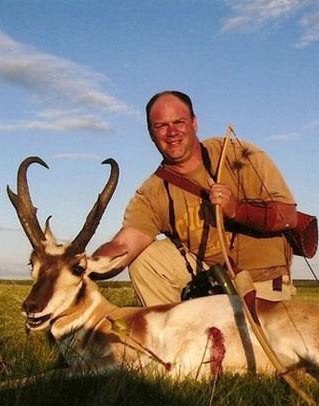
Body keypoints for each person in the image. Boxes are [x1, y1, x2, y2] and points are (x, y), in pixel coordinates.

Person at [93, 90, 299, 306]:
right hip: (212, 280)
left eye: (179, 122)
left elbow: (288, 217)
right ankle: (171, 335)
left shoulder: (238, 154)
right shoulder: (152, 191)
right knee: (144, 261)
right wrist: (82, 266)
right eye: (161, 126)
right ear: (151, 133)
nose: (172, 132)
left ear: (194, 123)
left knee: (255, 337)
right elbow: (124, 244)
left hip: (261, 281)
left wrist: (237, 211)